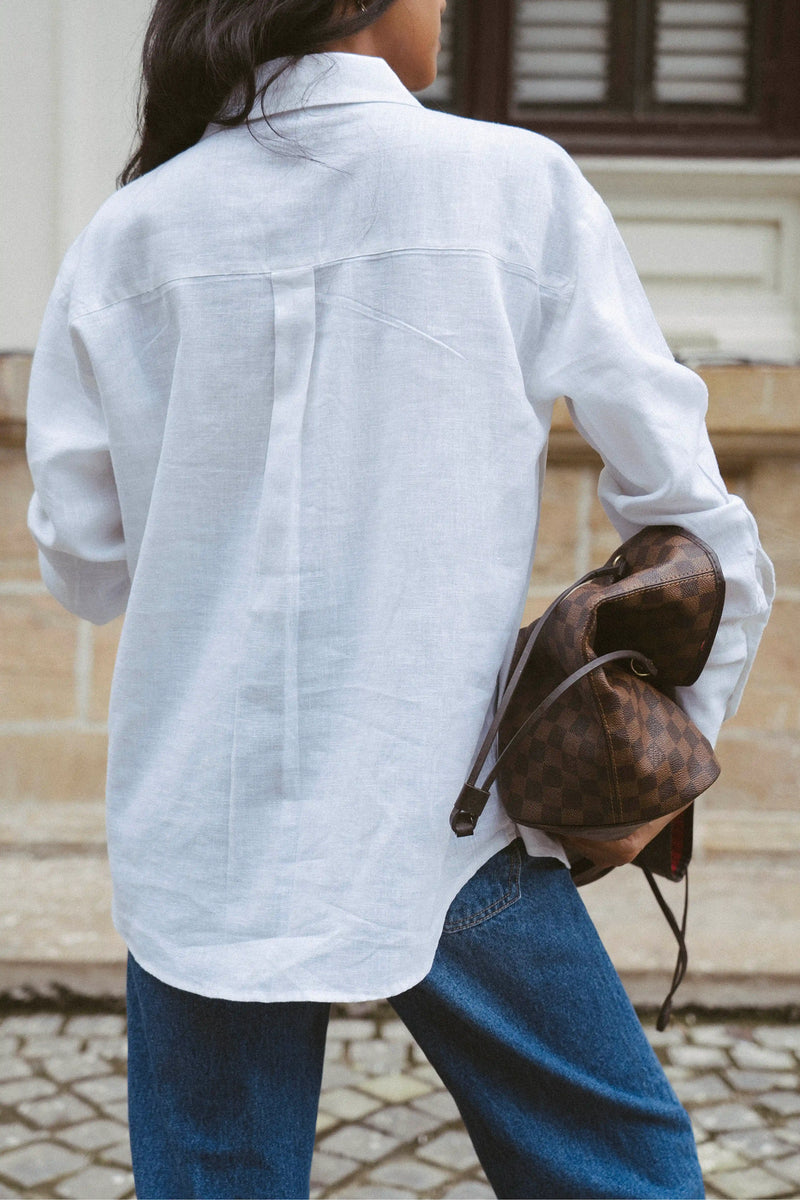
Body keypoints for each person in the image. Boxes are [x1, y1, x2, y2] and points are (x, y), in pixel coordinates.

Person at [25, 1, 774, 1196]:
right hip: (448, 814)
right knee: (623, 1174)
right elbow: (690, 521)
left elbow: (83, 565)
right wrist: (674, 739)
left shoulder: (130, 233)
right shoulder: (513, 185)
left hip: (201, 833)